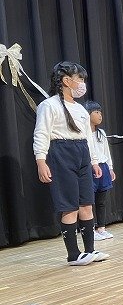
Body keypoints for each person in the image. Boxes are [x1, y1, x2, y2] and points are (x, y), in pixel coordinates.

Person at [33, 61, 109, 266]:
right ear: (66, 81)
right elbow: (41, 134)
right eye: (80, 79)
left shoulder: (81, 109)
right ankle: (73, 254)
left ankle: (90, 250)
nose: (83, 83)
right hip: (61, 153)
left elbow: (88, 138)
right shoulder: (49, 105)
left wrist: (94, 162)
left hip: (82, 153)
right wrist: (41, 161)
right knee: (70, 206)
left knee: (87, 204)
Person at [85, 101, 117, 240]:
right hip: (90, 168)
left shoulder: (101, 133)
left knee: (101, 201)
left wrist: (110, 168)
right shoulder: (83, 133)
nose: (100, 115)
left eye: (100, 112)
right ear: (87, 114)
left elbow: (106, 152)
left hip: (103, 167)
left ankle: (101, 228)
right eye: (96, 112)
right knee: (88, 202)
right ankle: (90, 230)